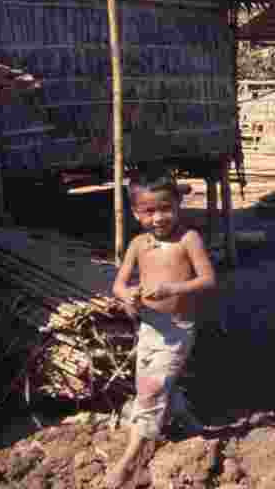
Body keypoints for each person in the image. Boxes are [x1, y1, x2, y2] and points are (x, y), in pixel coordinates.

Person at [105, 167, 217, 488]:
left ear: (178, 205)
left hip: (178, 329)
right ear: (135, 212)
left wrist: (173, 289)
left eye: (165, 208)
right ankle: (191, 427)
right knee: (151, 388)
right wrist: (129, 295)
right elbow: (119, 285)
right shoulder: (139, 244)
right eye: (148, 211)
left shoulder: (188, 239)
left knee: (151, 391)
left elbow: (208, 280)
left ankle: (131, 463)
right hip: (150, 327)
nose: (158, 218)